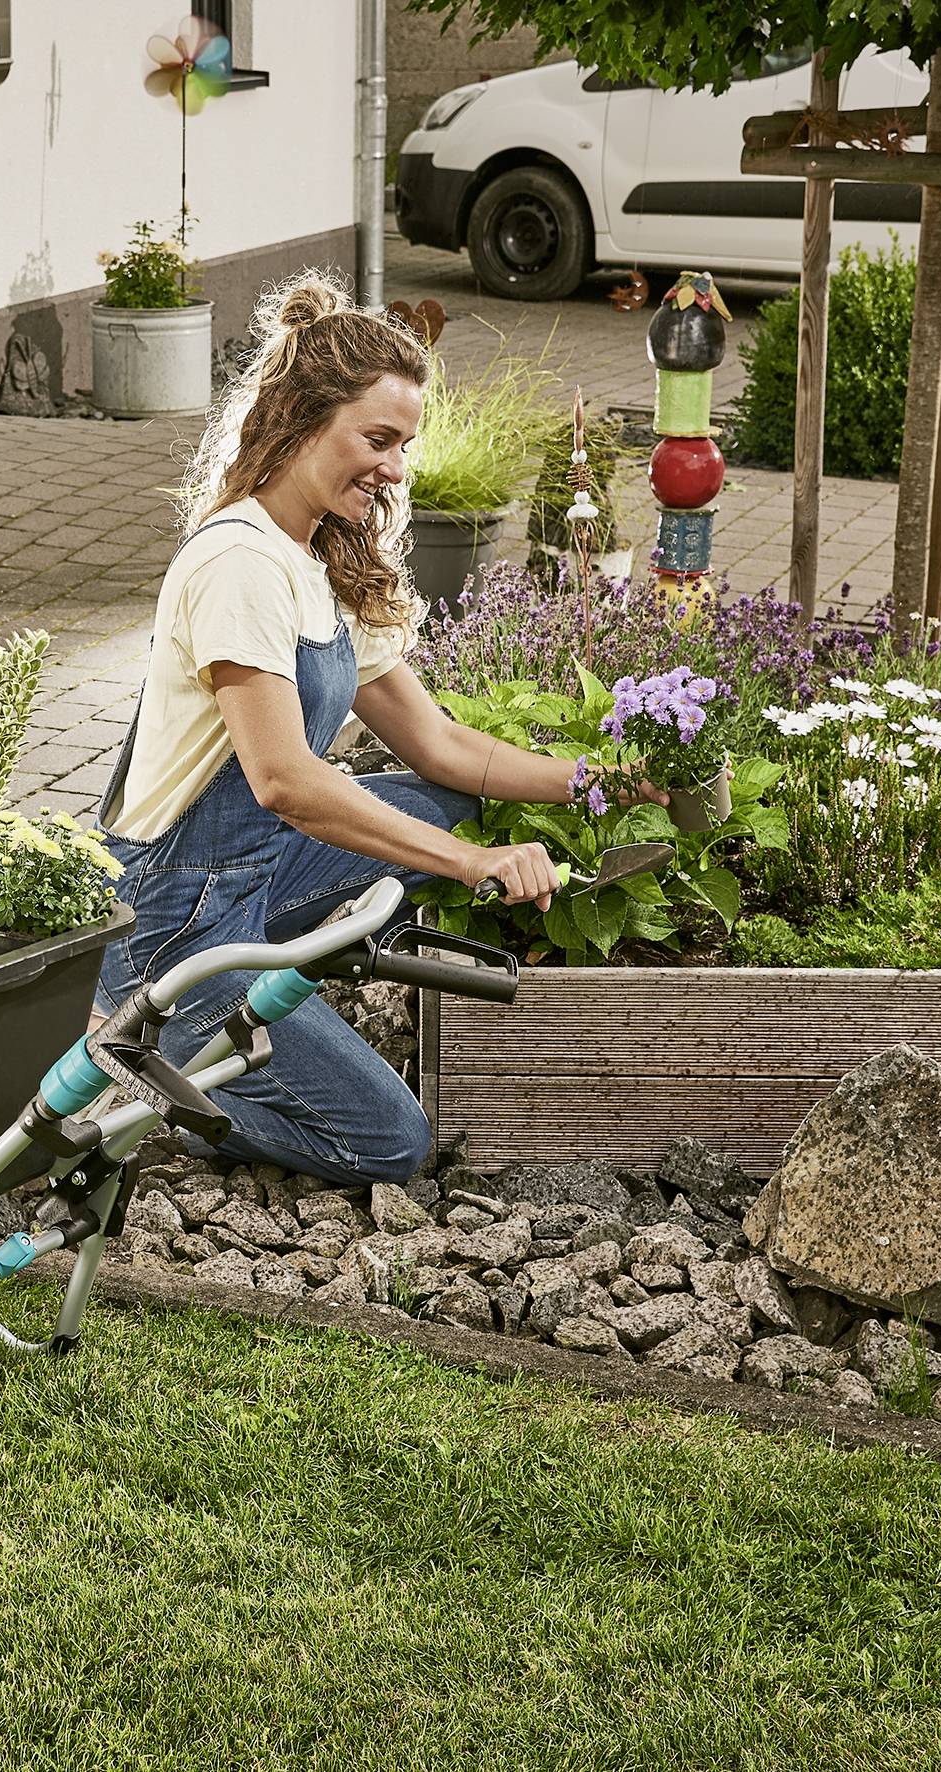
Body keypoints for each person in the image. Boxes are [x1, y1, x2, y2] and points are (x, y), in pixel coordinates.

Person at [89, 274, 640, 1186]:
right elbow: (284, 783)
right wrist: (472, 867)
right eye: (376, 439)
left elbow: (443, 747)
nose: (393, 467)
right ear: (301, 419)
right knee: (390, 1141)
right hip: (171, 913)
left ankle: (252, 1003)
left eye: (401, 445)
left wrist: (600, 780)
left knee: (448, 802)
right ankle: (150, 1064)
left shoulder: (321, 557)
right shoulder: (239, 562)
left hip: (254, 876)